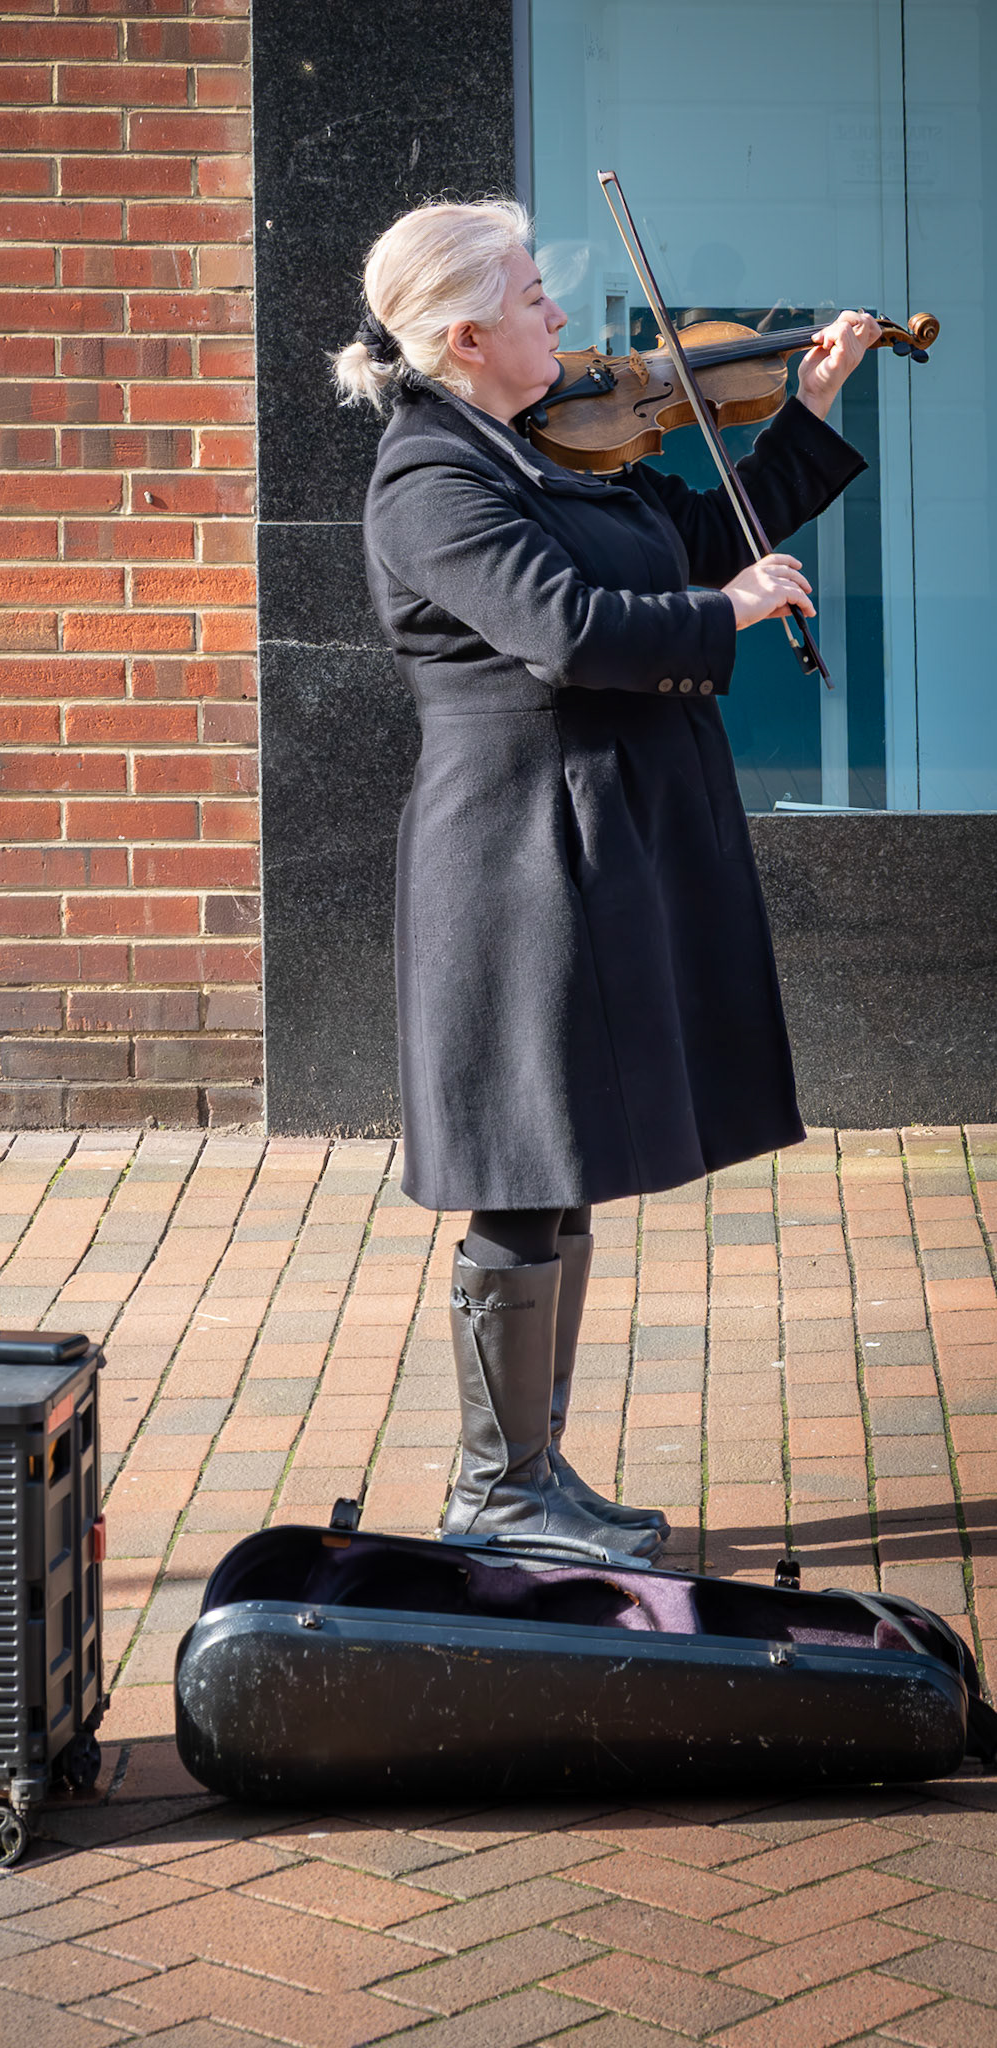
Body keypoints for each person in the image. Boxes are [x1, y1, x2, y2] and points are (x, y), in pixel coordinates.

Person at [333, 199, 876, 1559]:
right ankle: (493, 1493)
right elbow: (567, 631)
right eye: (530, 299)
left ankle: (532, 1473)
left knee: (559, 1156)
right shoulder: (432, 481)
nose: (560, 320)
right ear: (464, 334)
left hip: (595, 830)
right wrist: (733, 613)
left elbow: (685, 537)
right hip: (518, 845)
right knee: (521, 1163)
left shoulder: (523, 447)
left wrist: (798, 421)